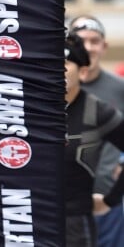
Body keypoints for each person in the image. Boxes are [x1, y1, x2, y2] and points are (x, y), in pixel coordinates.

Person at [63, 32, 124, 247]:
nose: (58, 68)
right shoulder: (32, 110)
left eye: (66, 62)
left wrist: (111, 200)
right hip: (31, 218)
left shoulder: (97, 111)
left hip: (76, 223)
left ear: (83, 71)